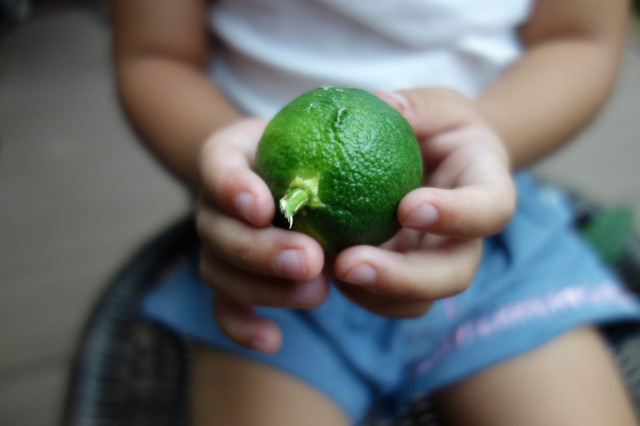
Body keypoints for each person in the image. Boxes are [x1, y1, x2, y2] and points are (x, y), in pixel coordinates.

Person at [113, 0, 640, 424]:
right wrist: (224, 165)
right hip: (270, 262)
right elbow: (155, 55)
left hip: (482, 234)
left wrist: (487, 128)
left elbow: (580, 38)